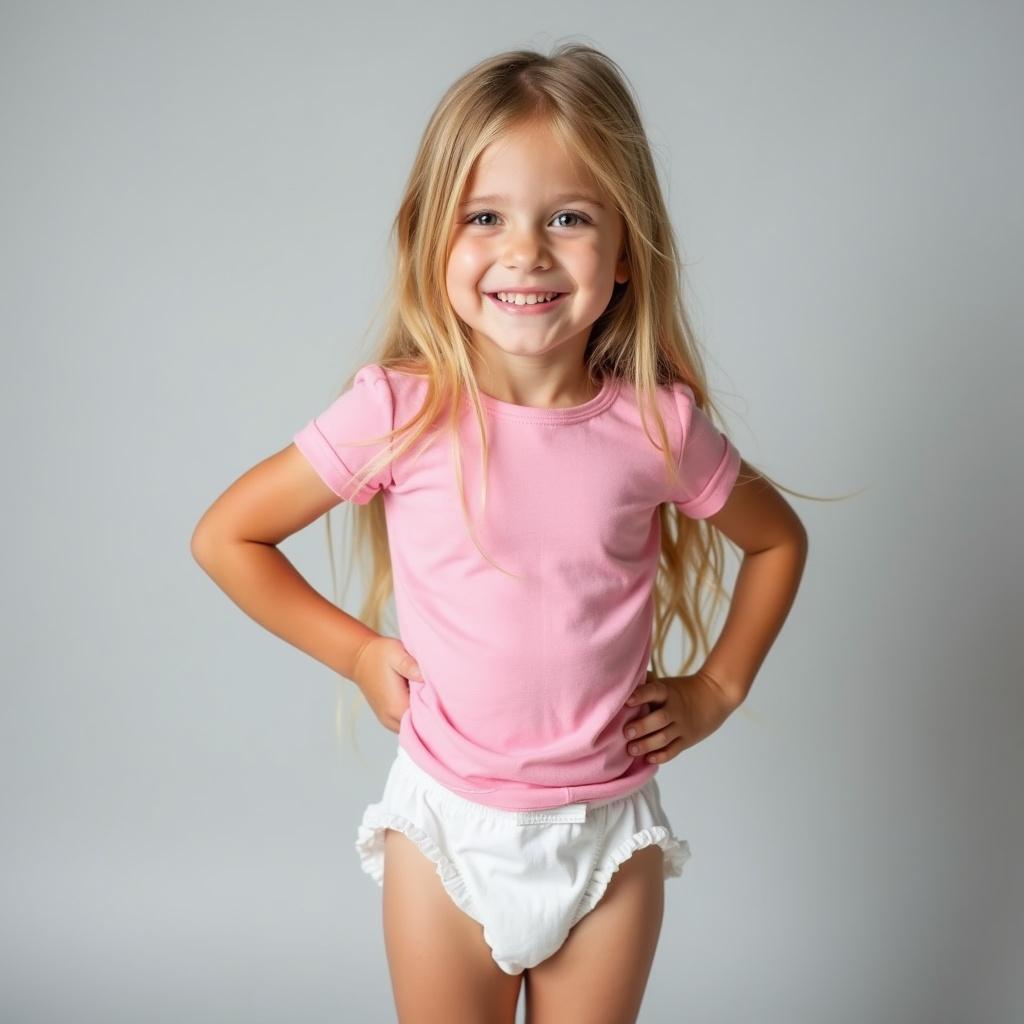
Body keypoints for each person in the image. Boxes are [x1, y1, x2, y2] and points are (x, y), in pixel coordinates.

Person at [192, 43, 809, 1024]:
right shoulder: (399, 410)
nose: (525, 252)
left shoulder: (658, 426)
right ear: (433, 241)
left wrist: (719, 686)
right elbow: (228, 536)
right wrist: (356, 653)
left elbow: (777, 542)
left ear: (623, 253)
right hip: (444, 830)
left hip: (605, 835)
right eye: (485, 217)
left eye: (567, 217)